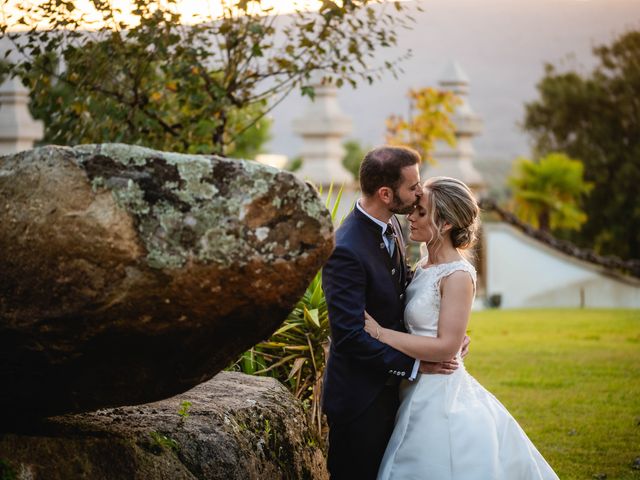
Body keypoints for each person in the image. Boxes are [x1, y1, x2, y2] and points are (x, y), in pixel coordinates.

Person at [364, 176, 559, 480]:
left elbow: (445, 348)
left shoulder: (458, 274)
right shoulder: (424, 265)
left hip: (439, 392)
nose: (410, 217)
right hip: (413, 383)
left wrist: (380, 334)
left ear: (444, 224)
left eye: (421, 212)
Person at [321, 147, 470, 479]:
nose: (419, 193)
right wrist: (419, 364)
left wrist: (447, 331)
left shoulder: (394, 229)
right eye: (413, 186)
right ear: (386, 194)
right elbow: (348, 336)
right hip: (361, 400)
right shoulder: (346, 249)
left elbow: (401, 302)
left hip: (397, 393)